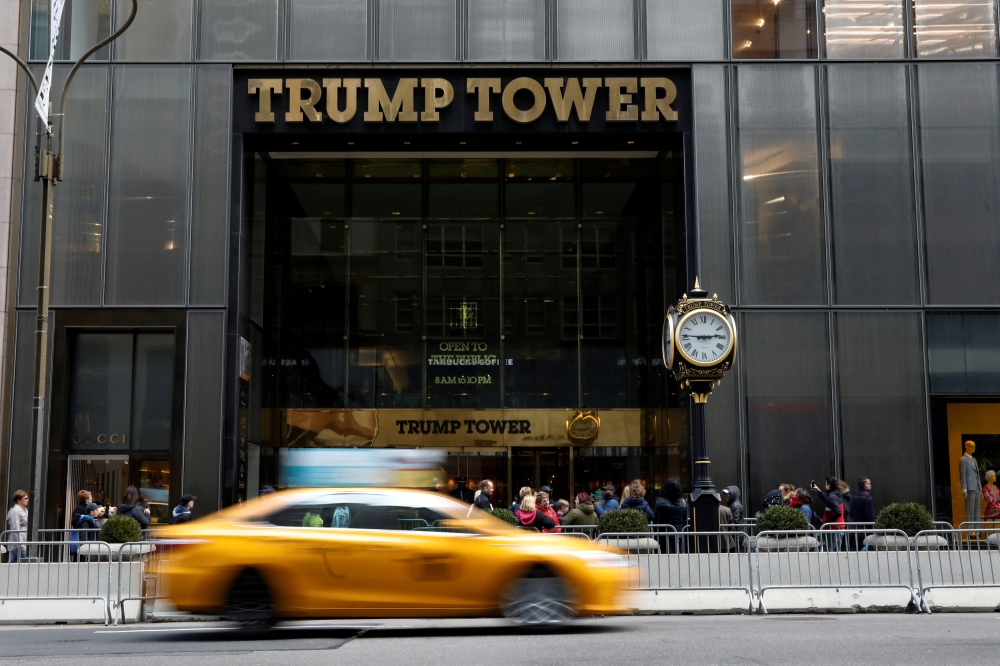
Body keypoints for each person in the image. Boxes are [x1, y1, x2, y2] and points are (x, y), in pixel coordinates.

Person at [812, 477, 845, 550]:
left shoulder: (832, 497)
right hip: (838, 528)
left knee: (829, 552)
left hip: (833, 529)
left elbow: (838, 512)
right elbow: (828, 501)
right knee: (836, 552)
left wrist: (827, 522)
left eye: (826, 484)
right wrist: (819, 492)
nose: (825, 485)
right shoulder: (836, 494)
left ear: (829, 485)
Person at [6, 490, 28, 563]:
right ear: (18, 500)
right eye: (25, 498)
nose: (27, 500)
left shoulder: (25, 510)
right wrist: (19, 544)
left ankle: (5, 573)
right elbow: (15, 528)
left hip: (24, 542)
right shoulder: (15, 511)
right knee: (24, 562)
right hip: (19, 543)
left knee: (13, 562)